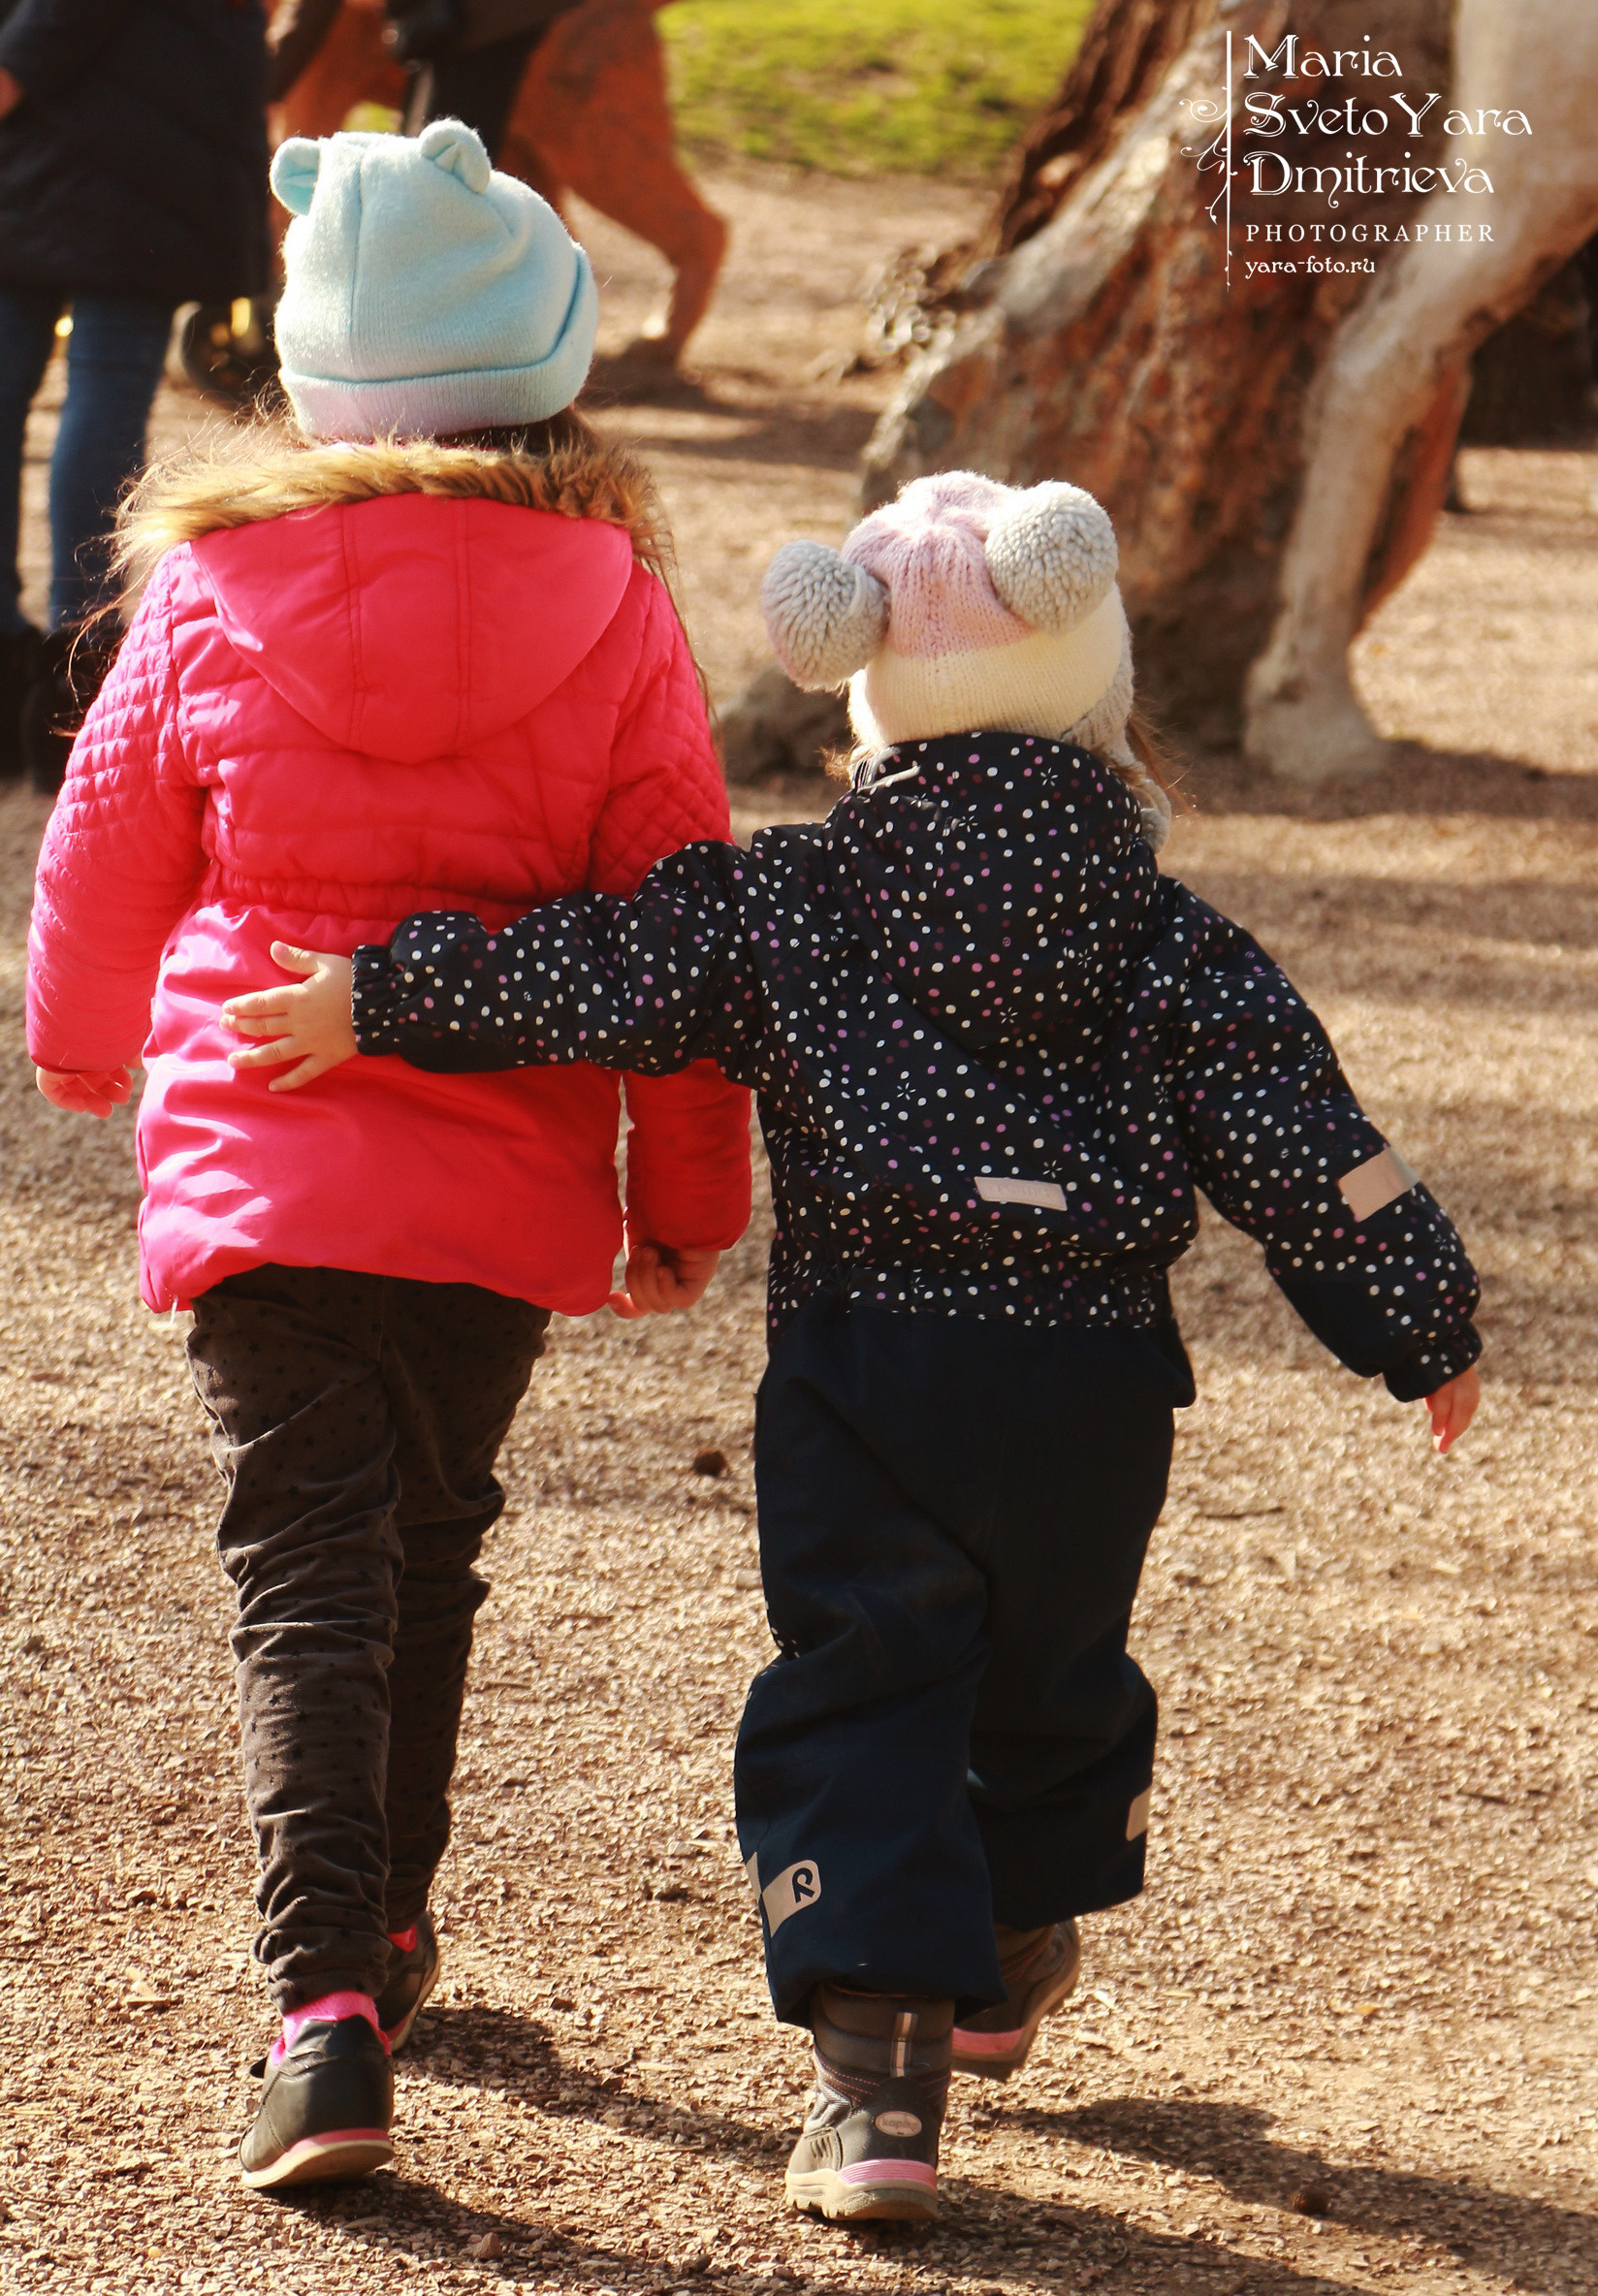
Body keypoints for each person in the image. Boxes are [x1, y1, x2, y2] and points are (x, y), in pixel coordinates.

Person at [218, 471, 1483, 2223]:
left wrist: (381, 994)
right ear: (1086, 674)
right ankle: (1011, 1933)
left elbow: (597, 971)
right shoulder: (1159, 926)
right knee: (1054, 1667)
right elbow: (1300, 1131)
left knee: (868, 1683)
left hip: (868, 1367)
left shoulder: (789, 900)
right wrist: (1420, 1316)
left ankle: (876, 2091)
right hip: (1086, 1380)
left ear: (865, 681)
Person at [26, 119, 751, 2190]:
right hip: (499, 1181)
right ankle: (389, 1926)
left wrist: (81, 1053)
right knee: (425, 1537)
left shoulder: (211, 586)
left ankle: (321, 1994)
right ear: (546, 367)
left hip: (266, 1142)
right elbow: (679, 926)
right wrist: (682, 1190)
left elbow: (102, 850)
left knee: (300, 1566)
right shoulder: (614, 602)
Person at [0, 0, 272, 787]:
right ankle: (74, 671)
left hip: (61, 121)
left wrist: (17, 66)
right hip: (155, 133)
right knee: (106, 393)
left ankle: (46, 665)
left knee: (42, 390)